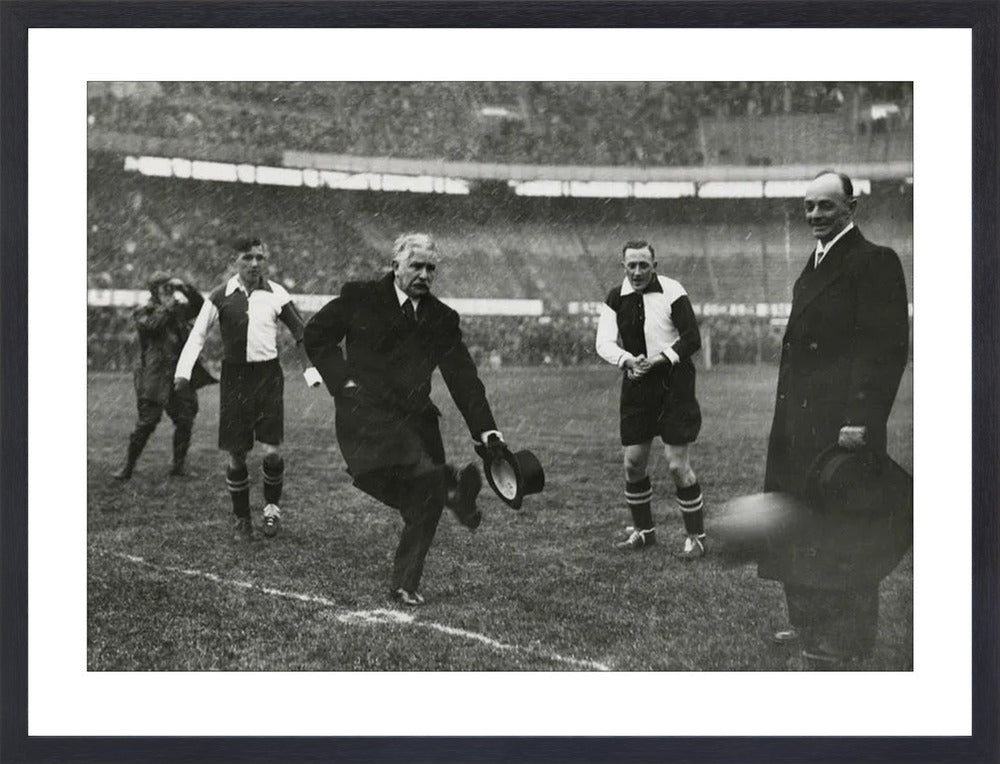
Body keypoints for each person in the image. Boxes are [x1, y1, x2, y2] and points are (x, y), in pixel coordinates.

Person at [304, 233, 504, 606]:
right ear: (395, 265)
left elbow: (462, 376)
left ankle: (404, 584)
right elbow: (316, 335)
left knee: (423, 504)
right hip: (366, 416)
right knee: (415, 474)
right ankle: (449, 488)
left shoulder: (442, 318)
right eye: (416, 265)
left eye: (431, 268)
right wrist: (341, 380)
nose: (425, 274)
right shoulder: (360, 297)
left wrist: (486, 430)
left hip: (416, 421)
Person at [760, 171, 909, 668]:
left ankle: (848, 638)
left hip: (841, 427)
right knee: (801, 520)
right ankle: (808, 624)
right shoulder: (815, 262)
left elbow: (885, 349)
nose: (815, 216)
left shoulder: (874, 261)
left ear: (852, 207)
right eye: (808, 207)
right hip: (800, 423)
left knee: (846, 527)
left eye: (826, 206)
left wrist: (861, 419)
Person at [174, 238, 322, 541]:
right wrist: (182, 373)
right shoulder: (220, 295)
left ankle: (271, 509)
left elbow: (300, 332)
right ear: (234, 260)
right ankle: (242, 518)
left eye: (259, 257)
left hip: (268, 376)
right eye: (248, 258)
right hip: (235, 379)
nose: (255, 264)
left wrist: (310, 369)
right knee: (237, 454)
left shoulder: (276, 293)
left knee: (271, 452)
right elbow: (197, 336)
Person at [595, 240, 707, 560]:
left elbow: (691, 339)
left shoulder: (673, 291)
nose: (638, 271)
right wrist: (628, 360)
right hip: (637, 383)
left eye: (644, 265)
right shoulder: (616, 297)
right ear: (623, 267)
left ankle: (695, 537)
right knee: (633, 463)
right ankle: (644, 532)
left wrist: (659, 360)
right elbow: (603, 342)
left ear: (654, 265)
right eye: (631, 265)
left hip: (675, 384)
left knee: (676, 465)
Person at [113, 272, 214, 480]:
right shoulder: (144, 311)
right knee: (148, 421)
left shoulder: (178, 310)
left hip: (178, 372)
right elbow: (152, 326)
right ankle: (128, 466)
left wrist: (185, 287)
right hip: (155, 374)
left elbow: (202, 308)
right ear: (154, 291)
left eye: (170, 288)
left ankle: (178, 466)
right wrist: (168, 306)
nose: (169, 292)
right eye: (164, 288)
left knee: (185, 419)